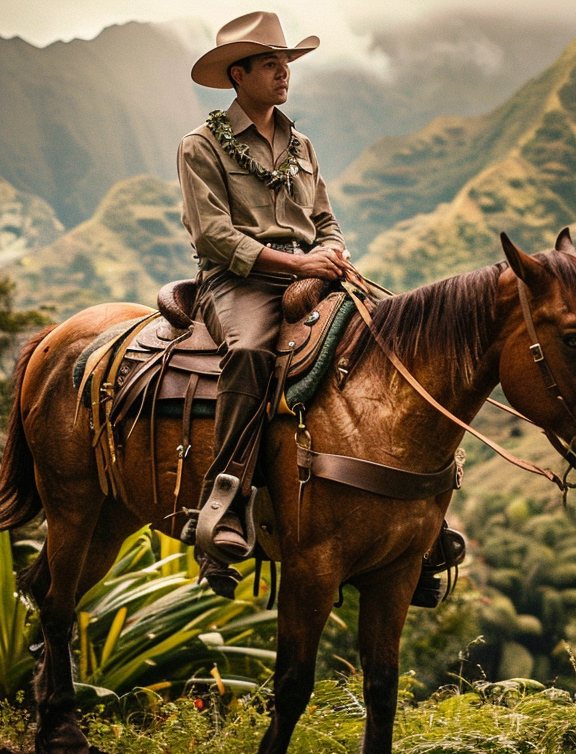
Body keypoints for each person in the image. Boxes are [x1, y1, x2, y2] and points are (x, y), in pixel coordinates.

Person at [178, 11, 354, 598]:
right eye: (272, 64)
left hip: (313, 274)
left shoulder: (301, 143)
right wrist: (301, 263)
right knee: (250, 352)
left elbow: (325, 220)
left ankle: (422, 520)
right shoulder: (201, 146)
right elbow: (214, 237)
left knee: (390, 333)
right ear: (239, 73)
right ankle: (223, 504)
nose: (284, 73)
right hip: (239, 281)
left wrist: (330, 254)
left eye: (286, 63)